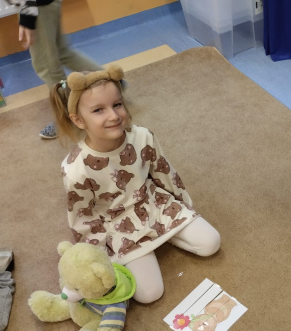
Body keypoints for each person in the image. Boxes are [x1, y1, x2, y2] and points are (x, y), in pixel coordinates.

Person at [49, 65, 221, 304]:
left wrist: (184, 207)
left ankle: (163, 234)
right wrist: (98, 257)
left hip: (154, 204)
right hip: (117, 225)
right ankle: (149, 244)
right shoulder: (75, 169)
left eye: (117, 104)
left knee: (211, 243)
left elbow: (164, 172)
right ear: (78, 120)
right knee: (149, 294)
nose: (113, 116)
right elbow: (82, 217)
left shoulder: (143, 136)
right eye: (98, 110)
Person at [7, 0, 103, 139]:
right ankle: (108, 79)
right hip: (43, 5)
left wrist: (27, 16)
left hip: (35, 7)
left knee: (47, 67)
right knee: (62, 53)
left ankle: (67, 116)